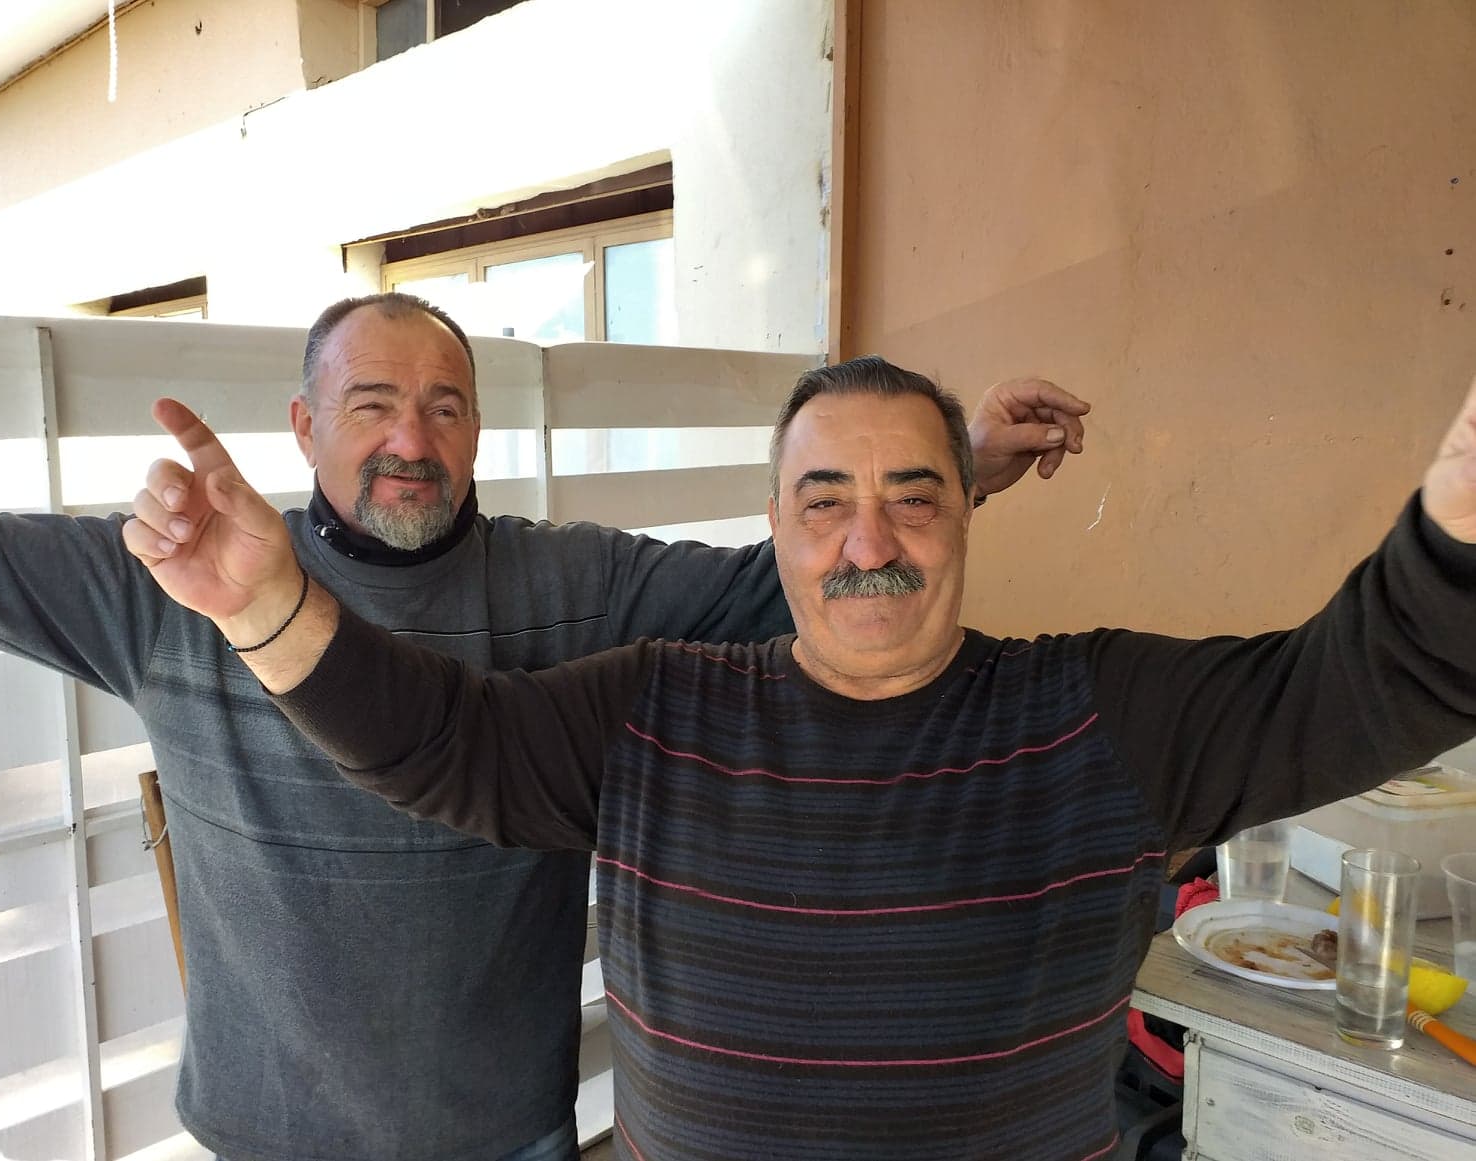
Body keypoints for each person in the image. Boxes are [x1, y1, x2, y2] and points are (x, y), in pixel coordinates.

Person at [125, 353, 1476, 1160]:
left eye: (912, 497)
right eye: (824, 502)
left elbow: (1360, 686)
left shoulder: (1102, 712)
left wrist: (1459, 525)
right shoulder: (653, 710)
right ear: (773, 529)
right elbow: (441, 744)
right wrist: (268, 606)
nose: (866, 543)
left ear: (966, 516)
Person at [0, 294, 1088, 1161]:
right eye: (371, 405)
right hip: (266, 1131)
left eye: (444, 408)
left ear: (479, 429)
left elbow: (789, 574)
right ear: (303, 424)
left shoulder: (573, 584)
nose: (411, 440)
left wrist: (962, 472)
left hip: (506, 1132)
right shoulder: (176, 579)